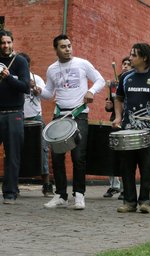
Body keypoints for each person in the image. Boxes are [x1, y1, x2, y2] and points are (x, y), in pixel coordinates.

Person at [36, 34, 105, 210]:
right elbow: (49, 93)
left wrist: (91, 91)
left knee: (78, 156)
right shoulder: (52, 69)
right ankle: (61, 195)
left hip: (79, 115)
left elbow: (100, 80)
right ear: (56, 49)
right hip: (60, 115)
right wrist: (37, 89)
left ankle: (79, 195)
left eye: (69, 45)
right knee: (57, 156)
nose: (67, 49)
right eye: (63, 46)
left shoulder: (82, 63)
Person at [112, 43, 150, 214]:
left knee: (147, 166)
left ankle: (145, 201)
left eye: (133, 55)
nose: (130, 58)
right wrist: (118, 116)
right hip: (128, 129)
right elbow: (118, 98)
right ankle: (129, 202)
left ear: (144, 57)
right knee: (127, 166)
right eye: (130, 54)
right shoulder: (126, 77)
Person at [0, 29, 30, 204]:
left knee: (12, 156)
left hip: (14, 114)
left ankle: (10, 193)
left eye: (9, 42)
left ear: (13, 42)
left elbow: (25, 87)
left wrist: (8, 77)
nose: (6, 45)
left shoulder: (19, 62)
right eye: (3, 42)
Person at [19, 52, 54, 197]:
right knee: (16, 151)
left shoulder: (36, 78)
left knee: (43, 150)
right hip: (19, 118)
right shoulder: (14, 78)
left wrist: (36, 89)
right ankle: (13, 185)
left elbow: (47, 95)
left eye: (24, 65)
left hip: (36, 118)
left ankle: (46, 185)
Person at [103, 56, 132, 200]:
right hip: (115, 121)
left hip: (128, 122)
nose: (126, 66)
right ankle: (114, 185)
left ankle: (125, 187)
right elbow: (110, 105)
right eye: (124, 64)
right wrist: (108, 106)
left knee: (125, 155)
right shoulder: (115, 83)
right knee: (112, 153)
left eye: (129, 64)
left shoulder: (132, 81)